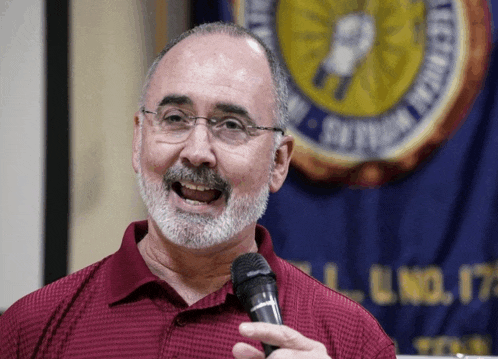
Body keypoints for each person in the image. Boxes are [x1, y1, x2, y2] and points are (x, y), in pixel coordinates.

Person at [0, 22, 395, 359]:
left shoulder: (351, 341)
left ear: (278, 162)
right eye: (175, 119)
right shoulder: (30, 330)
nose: (197, 152)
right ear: (139, 140)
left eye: (232, 125)